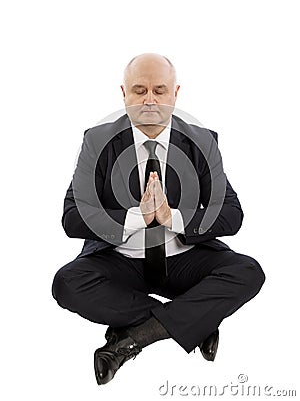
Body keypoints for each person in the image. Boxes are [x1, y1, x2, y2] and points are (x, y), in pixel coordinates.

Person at [51, 53, 265, 385]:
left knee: (247, 272)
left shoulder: (201, 141)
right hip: (120, 261)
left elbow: (231, 215)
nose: (150, 100)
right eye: (139, 90)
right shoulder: (98, 140)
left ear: (175, 94)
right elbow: (73, 217)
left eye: (159, 90)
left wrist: (172, 217)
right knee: (67, 283)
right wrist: (138, 217)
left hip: (183, 259)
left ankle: (131, 339)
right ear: (124, 94)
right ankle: (195, 319)